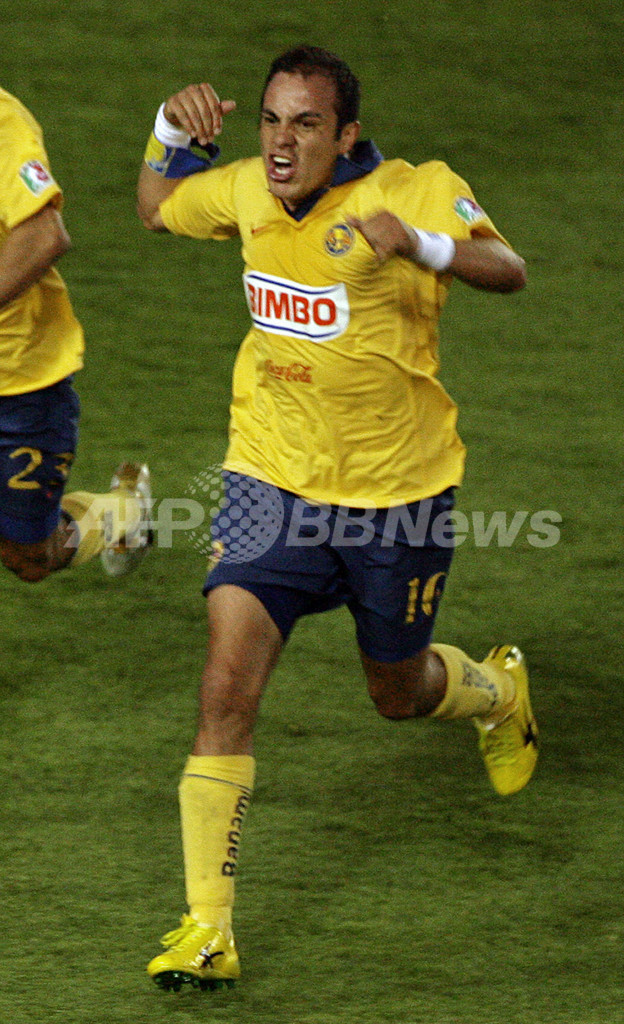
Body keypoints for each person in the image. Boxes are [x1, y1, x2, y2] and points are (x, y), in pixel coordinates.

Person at [137, 45, 537, 993]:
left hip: (397, 495)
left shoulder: (415, 189)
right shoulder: (245, 188)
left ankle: (496, 691)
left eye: (306, 124)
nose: (282, 142)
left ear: (346, 134)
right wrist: (165, 131)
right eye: (271, 120)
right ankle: (207, 929)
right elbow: (157, 205)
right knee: (224, 691)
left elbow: (508, 268)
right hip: (268, 479)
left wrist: (421, 244)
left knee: (395, 691)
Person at [0, 86, 151, 582]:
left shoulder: (3, 123)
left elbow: (43, 235)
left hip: (18, 384)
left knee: (30, 557)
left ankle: (123, 511)